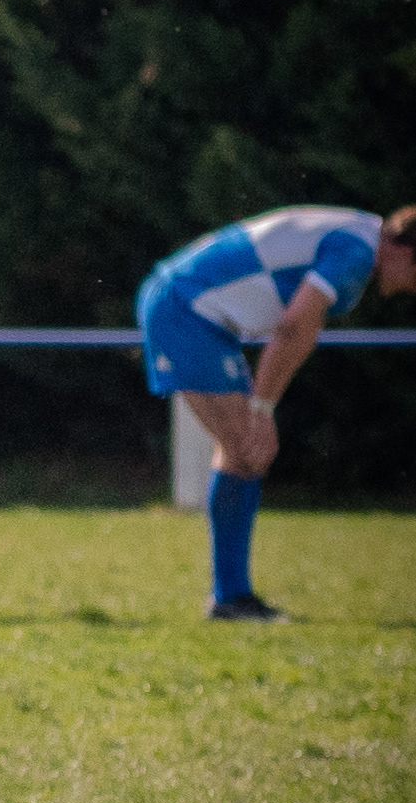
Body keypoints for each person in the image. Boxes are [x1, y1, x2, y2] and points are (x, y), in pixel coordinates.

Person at [138, 204, 416, 619]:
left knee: (248, 452)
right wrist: (262, 409)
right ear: (406, 251)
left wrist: (262, 407)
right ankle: (230, 598)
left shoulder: (360, 237)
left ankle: (231, 597)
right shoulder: (357, 252)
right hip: (184, 309)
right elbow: (293, 328)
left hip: (195, 312)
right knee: (247, 450)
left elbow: (301, 331)